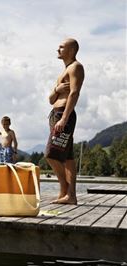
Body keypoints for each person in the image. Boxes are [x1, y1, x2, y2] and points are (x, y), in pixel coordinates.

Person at [45, 38, 85, 205]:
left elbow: (74, 93)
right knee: (67, 158)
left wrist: (64, 118)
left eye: (61, 47)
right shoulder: (64, 71)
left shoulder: (76, 67)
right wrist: (57, 89)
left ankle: (66, 189)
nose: (58, 49)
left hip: (63, 114)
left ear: (71, 50)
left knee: (50, 154)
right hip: (56, 113)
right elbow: (50, 99)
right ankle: (69, 195)